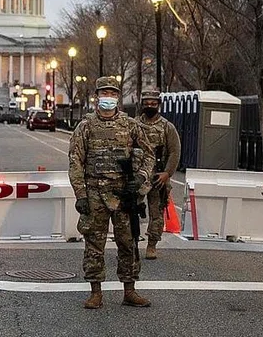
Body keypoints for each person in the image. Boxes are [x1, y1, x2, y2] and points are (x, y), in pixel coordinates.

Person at [69, 76, 154, 309]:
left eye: (112, 93)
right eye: (104, 93)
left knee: (128, 242)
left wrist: (140, 178)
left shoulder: (131, 125)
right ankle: (95, 291)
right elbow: (76, 161)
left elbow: (148, 154)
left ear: (117, 97)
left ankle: (129, 290)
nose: (108, 97)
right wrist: (81, 195)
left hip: (123, 192)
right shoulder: (85, 126)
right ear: (97, 97)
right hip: (95, 191)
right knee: (94, 243)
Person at [136, 89, 181, 260]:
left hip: (158, 177)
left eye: (153, 104)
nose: (150, 106)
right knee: (130, 210)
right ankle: (131, 243)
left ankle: (152, 244)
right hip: (138, 176)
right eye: (146, 103)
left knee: (157, 212)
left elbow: (174, 152)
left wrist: (167, 173)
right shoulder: (134, 125)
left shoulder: (167, 127)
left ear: (159, 105)